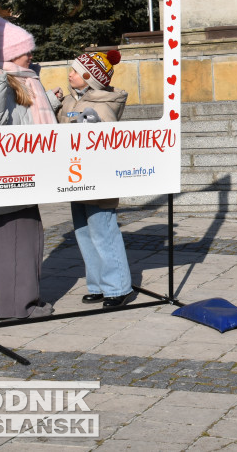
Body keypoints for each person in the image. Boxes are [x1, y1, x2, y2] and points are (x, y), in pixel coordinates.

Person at [0, 16, 56, 320]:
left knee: (30, 238)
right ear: (10, 54)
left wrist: (51, 100)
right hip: (10, 174)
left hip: (27, 173)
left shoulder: (24, 79)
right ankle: (17, 308)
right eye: (25, 51)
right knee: (17, 241)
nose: (31, 55)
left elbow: (25, 116)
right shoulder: (0, 81)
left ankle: (27, 300)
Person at [52, 50, 135, 307]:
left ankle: (117, 287)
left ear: (90, 78)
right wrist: (53, 105)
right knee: (84, 233)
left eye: (76, 71)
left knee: (103, 232)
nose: (70, 74)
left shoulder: (101, 107)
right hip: (76, 178)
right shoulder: (70, 101)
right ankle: (98, 284)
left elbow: (107, 145)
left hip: (98, 181)